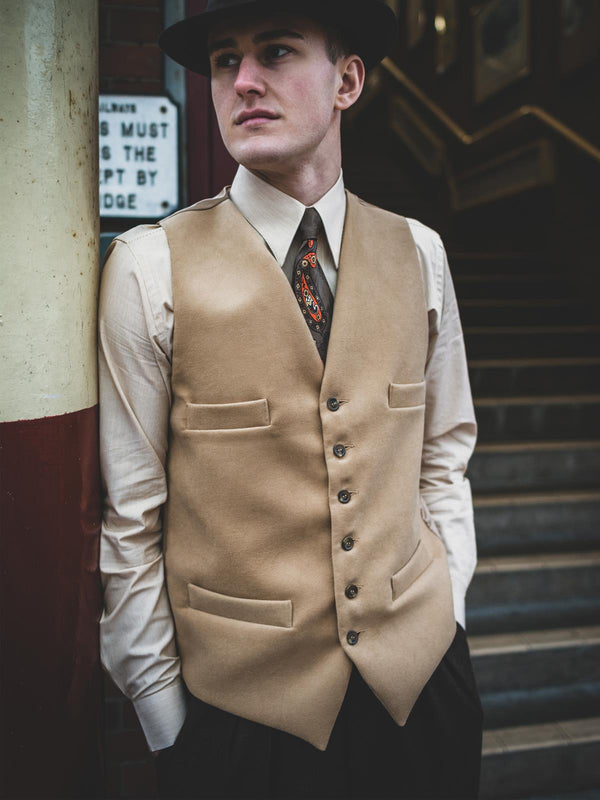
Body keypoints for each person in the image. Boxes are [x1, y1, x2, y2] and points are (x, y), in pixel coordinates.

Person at [98, 0, 483, 797]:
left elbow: (444, 457)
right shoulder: (147, 269)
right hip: (243, 728)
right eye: (221, 61)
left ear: (347, 81)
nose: (243, 82)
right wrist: (170, 726)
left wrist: (447, 621)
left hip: (422, 697)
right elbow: (131, 523)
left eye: (274, 52)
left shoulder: (421, 253)